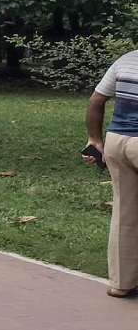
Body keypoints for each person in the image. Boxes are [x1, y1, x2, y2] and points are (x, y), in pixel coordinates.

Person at [84, 48, 138, 298]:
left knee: (124, 212)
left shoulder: (126, 60)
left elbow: (96, 100)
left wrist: (94, 139)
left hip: (116, 141)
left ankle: (121, 283)